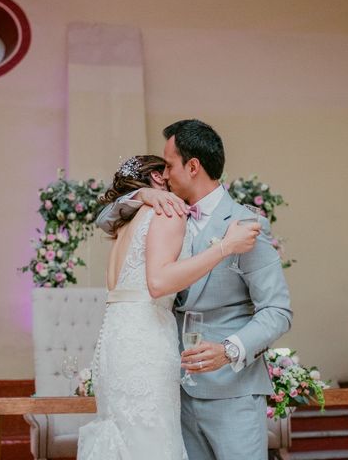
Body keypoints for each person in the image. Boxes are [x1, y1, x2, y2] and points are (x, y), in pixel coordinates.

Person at [96, 119, 293, 460]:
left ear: (192, 166)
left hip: (231, 392)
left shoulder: (245, 225)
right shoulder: (161, 210)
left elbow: (277, 311)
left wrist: (229, 350)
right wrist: (141, 192)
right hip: (174, 389)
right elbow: (104, 218)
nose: (164, 175)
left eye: (169, 165)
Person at [77, 155, 261, 460]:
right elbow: (159, 283)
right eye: (170, 170)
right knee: (152, 439)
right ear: (160, 178)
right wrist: (225, 247)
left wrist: (140, 194)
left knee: (125, 434)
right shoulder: (166, 211)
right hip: (146, 341)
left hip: (114, 341)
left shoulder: (122, 226)